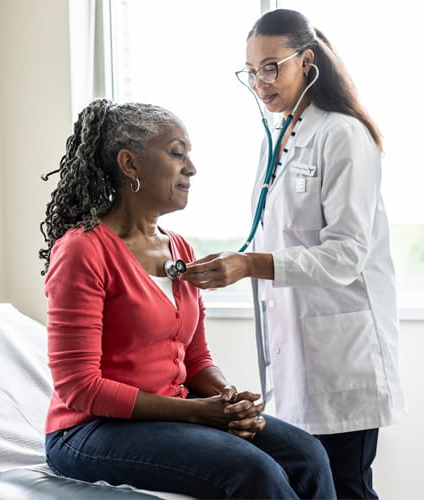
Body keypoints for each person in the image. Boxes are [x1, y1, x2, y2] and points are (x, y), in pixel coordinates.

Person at [38, 98, 335, 499]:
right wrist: (197, 412)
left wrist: (227, 400)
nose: (191, 168)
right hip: (89, 429)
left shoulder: (178, 247)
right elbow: (79, 387)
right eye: (177, 154)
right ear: (130, 164)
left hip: (172, 412)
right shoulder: (83, 250)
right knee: (252, 472)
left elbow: (195, 359)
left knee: (307, 454)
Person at [180, 9, 407, 499]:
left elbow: (347, 253)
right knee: (308, 482)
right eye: (251, 71)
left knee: (346, 484)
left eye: (271, 67)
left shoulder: (342, 134)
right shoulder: (278, 137)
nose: (260, 82)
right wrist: (234, 260)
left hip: (342, 352)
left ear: (307, 61)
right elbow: (280, 237)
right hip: (294, 349)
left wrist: (249, 265)